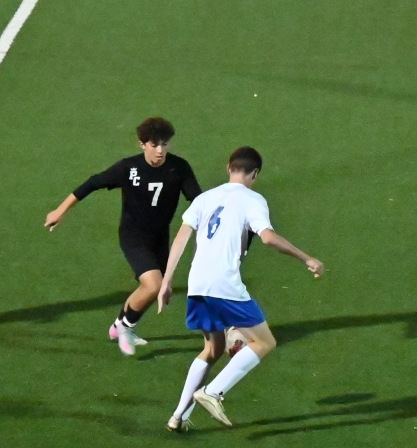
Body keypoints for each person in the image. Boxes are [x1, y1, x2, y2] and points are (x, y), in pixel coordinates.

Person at [160, 146, 325, 430]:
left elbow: (182, 237)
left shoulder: (205, 197)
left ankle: (179, 416)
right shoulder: (253, 200)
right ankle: (213, 391)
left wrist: (167, 281)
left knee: (213, 349)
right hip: (224, 284)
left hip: (197, 283)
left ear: (229, 168)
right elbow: (269, 238)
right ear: (255, 174)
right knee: (264, 342)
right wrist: (306, 257)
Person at [46, 116, 202, 357]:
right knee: (153, 285)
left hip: (160, 237)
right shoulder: (129, 168)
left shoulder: (179, 168)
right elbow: (93, 183)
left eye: (165, 144)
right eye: (154, 145)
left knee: (151, 290)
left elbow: (198, 200)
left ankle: (118, 325)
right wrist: (60, 210)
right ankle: (125, 328)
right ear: (142, 144)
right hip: (133, 236)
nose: (160, 151)